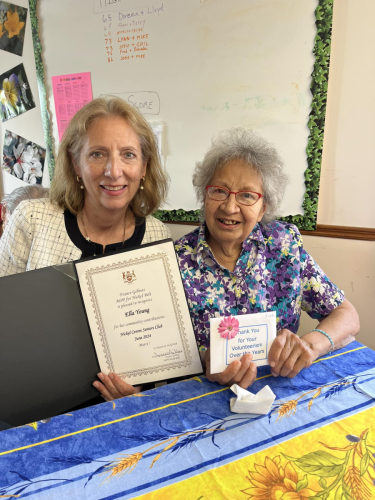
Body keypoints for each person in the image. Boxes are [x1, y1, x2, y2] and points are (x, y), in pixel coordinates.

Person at [0, 96, 171, 400]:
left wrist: (141, 389)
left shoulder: (157, 236)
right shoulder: (32, 219)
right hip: (33, 401)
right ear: (75, 163)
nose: (114, 171)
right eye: (97, 154)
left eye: (128, 155)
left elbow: (158, 346)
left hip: (122, 408)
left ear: (144, 166)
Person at [174, 128, 360, 389]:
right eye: (219, 191)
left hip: (279, 392)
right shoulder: (176, 261)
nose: (229, 207)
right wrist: (205, 362)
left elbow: (346, 315)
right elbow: (165, 357)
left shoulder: (284, 247)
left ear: (263, 208)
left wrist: (309, 346)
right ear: (204, 197)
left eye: (247, 195)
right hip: (202, 400)